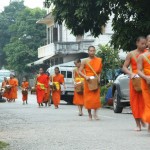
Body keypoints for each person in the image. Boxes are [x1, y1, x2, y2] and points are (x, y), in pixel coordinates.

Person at [122, 36, 147, 131]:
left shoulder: (147, 54)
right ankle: (138, 124)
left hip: (146, 79)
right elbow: (124, 67)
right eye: (142, 43)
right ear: (137, 43)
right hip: (135, 81)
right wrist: (131, 73)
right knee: (135, 103)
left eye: (145, 44)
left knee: (146, 102)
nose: (144, 45)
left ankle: (145, 118)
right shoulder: (131, 54)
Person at [79, 46, 102, 120]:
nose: (92, 52)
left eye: (93, 51)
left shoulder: (98, 60)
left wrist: (99, 78)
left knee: (96, 98)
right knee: (88, 99)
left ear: (95, 51)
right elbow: (79, 71)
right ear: (88, 52)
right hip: (88, 81)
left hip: (95, 81)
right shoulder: (84, 61)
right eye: (90, 51)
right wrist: (85, 76)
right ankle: (89, 115)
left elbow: (99, 72)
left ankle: (95, 113)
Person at [138, 35, 150, 132]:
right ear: (147, 43)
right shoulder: (142, 56)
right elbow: (139, 70)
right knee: (149, 104)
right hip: (146, 83)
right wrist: (146, 77)